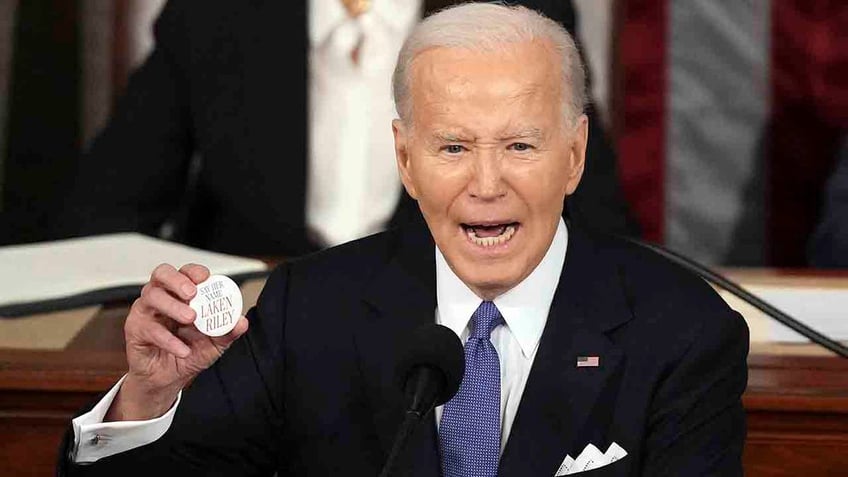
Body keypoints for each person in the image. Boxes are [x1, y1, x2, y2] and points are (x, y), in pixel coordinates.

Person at [59, 4, 747, 476]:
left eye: (519, 145)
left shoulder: (683, 332)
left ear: (574, 156)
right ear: (406, 158)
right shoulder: (308, 310)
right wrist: (146, 399)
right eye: (452, 146)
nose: (486, 183)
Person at [47, 0, 637, 257]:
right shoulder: (213, 14)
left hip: (455, 344)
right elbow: (102, 216)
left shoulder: (518, 12)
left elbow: (595, 220)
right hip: (249, 341)